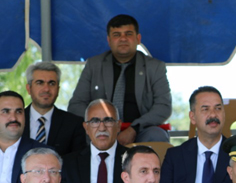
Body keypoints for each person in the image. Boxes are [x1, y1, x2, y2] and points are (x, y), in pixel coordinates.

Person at [68, 14, 172, 145]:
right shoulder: (94, 65)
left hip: (141, 130)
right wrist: (100, 124)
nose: (123, 39)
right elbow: (76, 105)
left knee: (157, 135)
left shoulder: (155, 67)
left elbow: (163, 107)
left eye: (128, 34)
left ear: (138, 39)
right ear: (109, 40)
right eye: (117, 35)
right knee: (78, 135)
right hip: (100, 130)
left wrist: (134, 129)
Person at [159, 86, 234, 183]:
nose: (213, 115)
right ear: (192, 117)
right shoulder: (175, 156)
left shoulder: (235, 154)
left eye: (218, 108)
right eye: (205, 109)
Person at [58, 99, 129, 183]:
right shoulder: (69, 163)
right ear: (86, 127)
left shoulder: (133, 160)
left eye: (108, 120)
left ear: (118, 125)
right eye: (95, 121)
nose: (102, 128)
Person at [22, 61, 86, 156]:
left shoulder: (74, 124)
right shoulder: (16, 120)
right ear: (29, 88)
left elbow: (78, 161)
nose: (46, 89)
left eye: (51, 83)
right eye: (40, 83)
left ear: (58, 89)